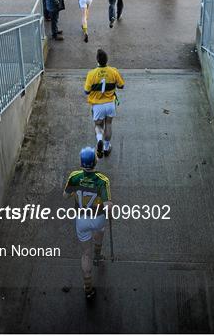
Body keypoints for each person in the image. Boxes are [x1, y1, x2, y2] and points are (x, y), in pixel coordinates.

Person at [63, 147, 112, 300]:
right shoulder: (102, 180)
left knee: (85, 254)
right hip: (97, 218)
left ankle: (88, 288)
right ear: (95, 162)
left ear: (81, 163)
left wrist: (74, 191)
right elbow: (108, 205)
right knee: (99, 232)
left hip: (81, 220)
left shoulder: (74, 176)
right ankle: (98, 255)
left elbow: (65, 195)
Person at [84, 49, 124, 158]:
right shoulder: (113, 71)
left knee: (98, 125)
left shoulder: (91, 74)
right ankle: (106, 148)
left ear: (97, 60)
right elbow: (121, 86)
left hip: (97, 105)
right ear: (107, 60)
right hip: (110, 104)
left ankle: (99, 140)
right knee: (109, 124)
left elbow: (86, 91)